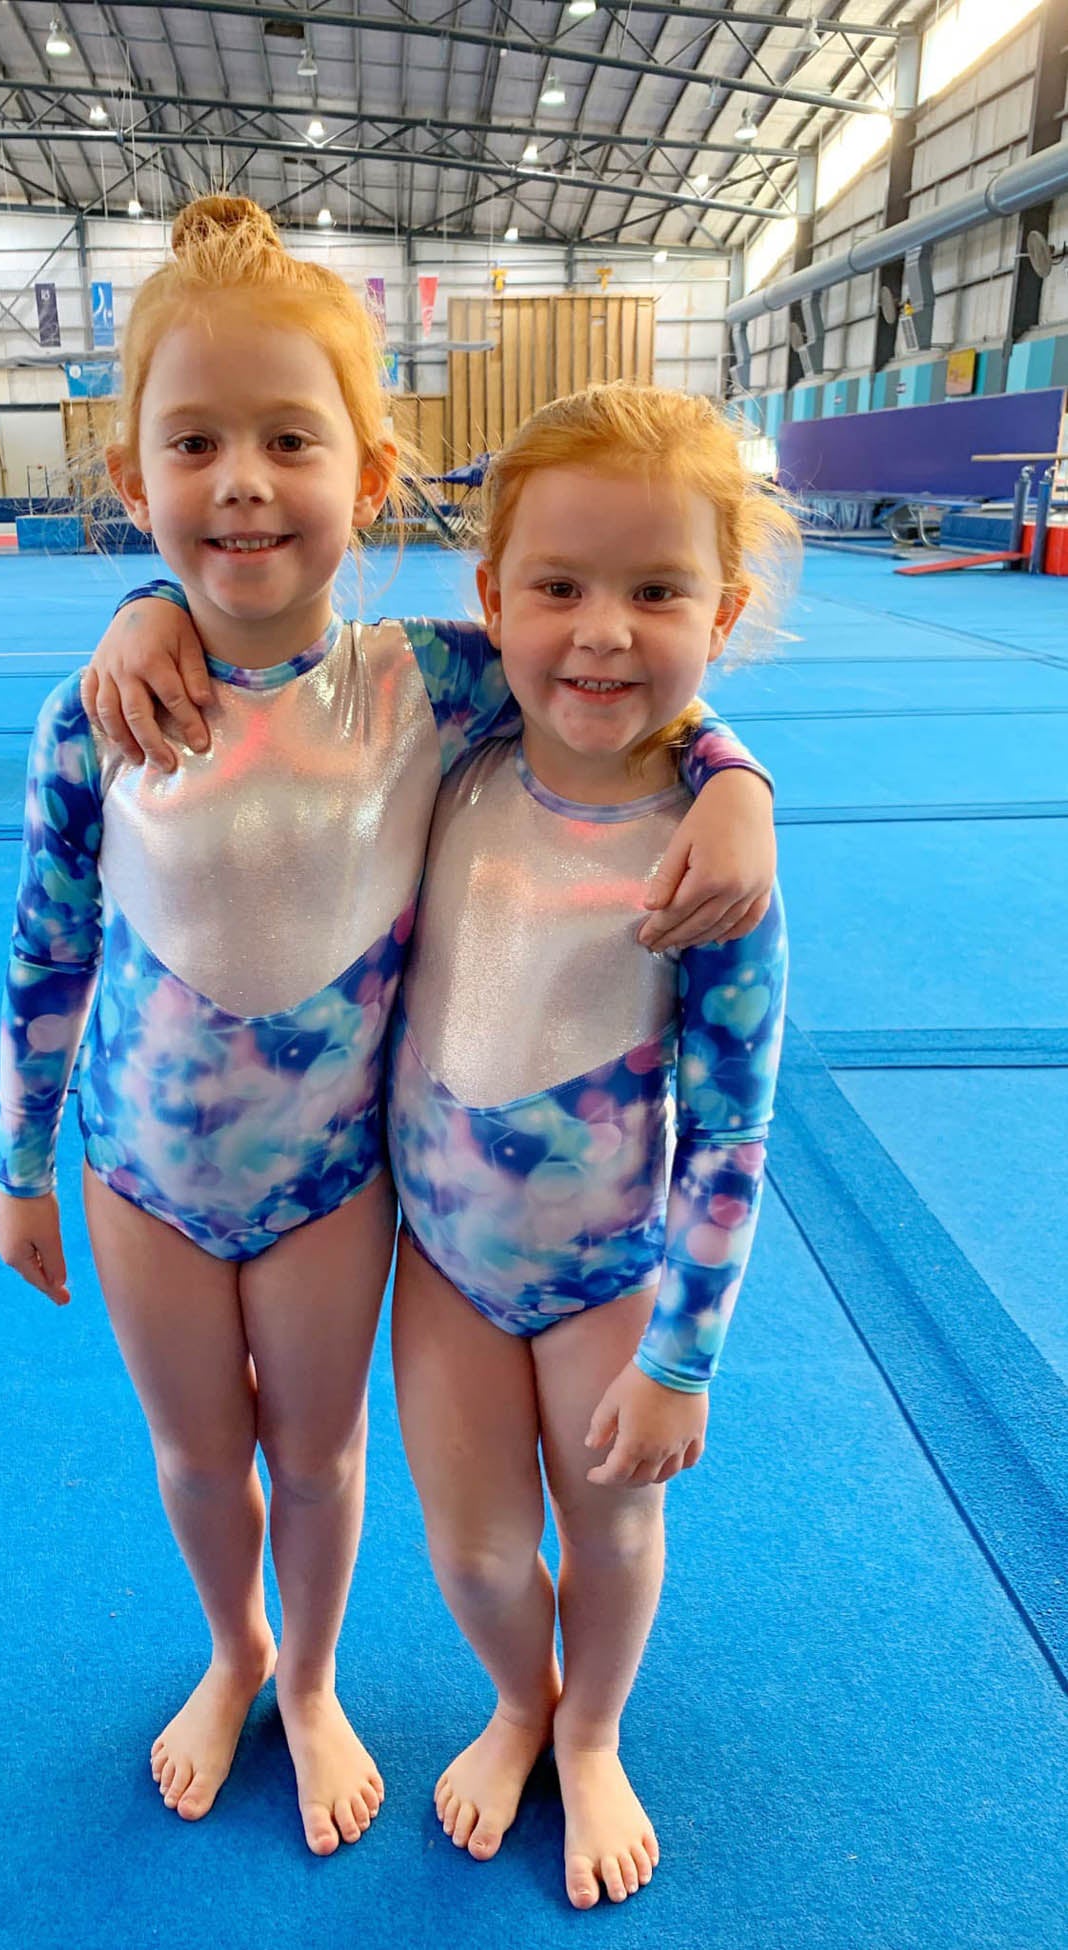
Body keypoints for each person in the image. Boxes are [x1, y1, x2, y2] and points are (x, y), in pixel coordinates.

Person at [0, 192, 778, 1862]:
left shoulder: (438, 678)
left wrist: (737, 777)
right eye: (194, 443)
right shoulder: (100, 707)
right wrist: (21, 1160)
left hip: (338, 1184)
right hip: (137, 1173)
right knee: (196, 1454)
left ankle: (315, 1679)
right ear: (130, 478)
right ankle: (236, 1652)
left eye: (290, 439)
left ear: (369, 473)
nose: (243, 480)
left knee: (323, 1453)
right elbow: (49, 944)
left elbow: (611, 678)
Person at [386, 382, 794, 1909]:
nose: (604, 632)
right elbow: (274, 656)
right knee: (479, 1555)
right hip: (442, 1256)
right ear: (493, 597)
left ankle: (595, 1727)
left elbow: (735, 1125)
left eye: (658, 592)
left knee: (614, 1527)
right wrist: (148, 611)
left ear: (723, 611)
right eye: (558, 587)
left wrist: (682, 1354)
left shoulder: (713, 870)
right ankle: (522, 1698)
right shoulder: (455, 738)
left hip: (609, 1271)